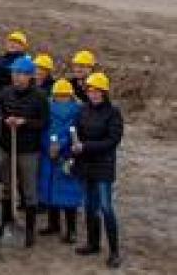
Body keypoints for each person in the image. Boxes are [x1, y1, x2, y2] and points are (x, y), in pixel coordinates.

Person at [72, 72, 123, 268]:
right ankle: (93, 244)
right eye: (90, 90)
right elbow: (76, 131)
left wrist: (85, 146)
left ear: (104, 92)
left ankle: (114, 252)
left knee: (105, 207)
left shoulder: (113, 113)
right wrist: (75, 147)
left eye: (96, 91)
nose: (92, 94)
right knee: (90, 207)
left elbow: (112, 141)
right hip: (86, 164)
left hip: (103, 165)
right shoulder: (83, 110)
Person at [0, 55, 49, 248]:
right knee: (7, 188)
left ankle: (29, 231)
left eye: (21, 74)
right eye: (14, 73)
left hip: (28, 151)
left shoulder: (40, 97)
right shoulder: (4, 93)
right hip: (6, 147)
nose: (17, 77)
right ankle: (6, 222)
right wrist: (5, 120)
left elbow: (44, 122)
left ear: (30, 76)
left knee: (29, 191)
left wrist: (24, 122)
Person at [38, 79, 83, 244]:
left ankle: (71, 230)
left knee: (68, 195)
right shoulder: (47, 109)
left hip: (66, 157)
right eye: (58, 95)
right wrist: (48, 146)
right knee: (51, 191)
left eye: (64, 96)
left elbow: (77, 133)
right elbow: (43, 129)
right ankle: (53, 224)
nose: (61, 98)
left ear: (70, 96)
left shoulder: (79, 112)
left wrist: (59, 146)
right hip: (50, 155)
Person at [0, 31, 28, 100]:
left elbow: (9, 74)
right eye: (11, 42)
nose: (12, 44)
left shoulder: (25, 61)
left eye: (17, 42)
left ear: (23, 47)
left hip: (15, 100)